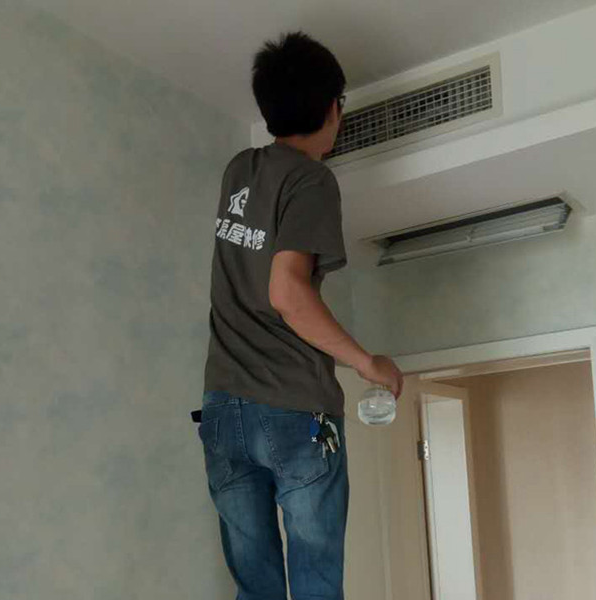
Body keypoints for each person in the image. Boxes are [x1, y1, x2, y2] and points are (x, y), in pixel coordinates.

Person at [197, 31, 404, 600]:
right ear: (334, 108)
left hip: (223, 411)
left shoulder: (238, 170)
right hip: (292, 410)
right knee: (315, 582)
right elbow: (288, 292)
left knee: (255, 587)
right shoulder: (311, 179)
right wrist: (367, 362)